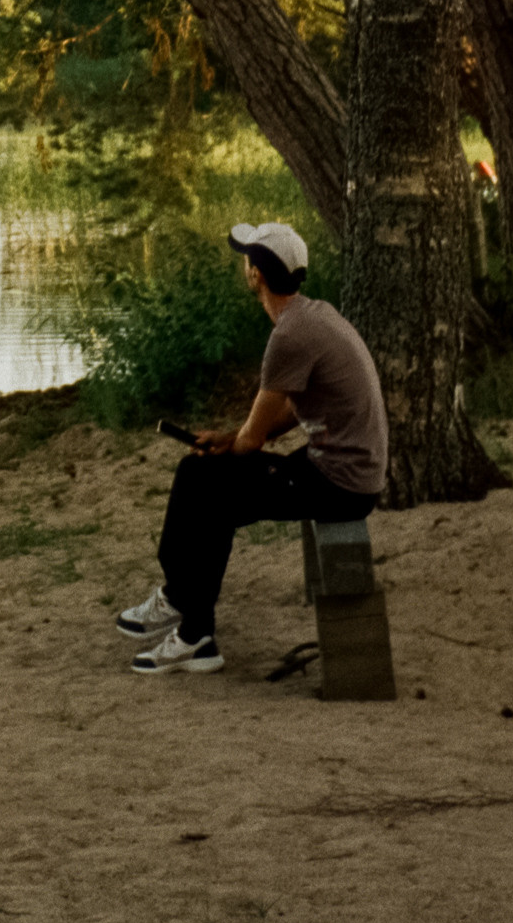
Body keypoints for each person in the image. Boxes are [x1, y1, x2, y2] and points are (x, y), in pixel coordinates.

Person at [115, 219, 387, 675]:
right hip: (344, 468)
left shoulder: (288, 336)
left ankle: (190, 622)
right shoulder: (314, 314)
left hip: (341, 483)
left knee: (205, 485)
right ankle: (185, 609)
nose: (245, 266)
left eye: (248, 258)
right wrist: (231, 439)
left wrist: (236, 442)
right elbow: (288, 414)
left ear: (257, 273)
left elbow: (252, 440)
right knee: (205, 478)